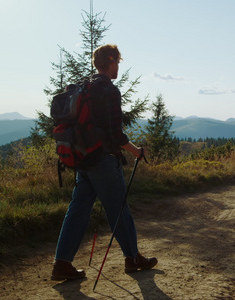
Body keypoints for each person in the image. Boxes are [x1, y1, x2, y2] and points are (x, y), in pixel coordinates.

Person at [51, 44, 157, 281]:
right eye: (117, 61)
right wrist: (135, 151)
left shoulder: (85, 87)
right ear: (111, 62)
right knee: (118, 210)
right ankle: (133, 258)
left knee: (77, 209)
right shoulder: (108, 90)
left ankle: (61, 263)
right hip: (102, 160)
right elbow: (115, 134)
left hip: (83, 159)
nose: (118, 65)